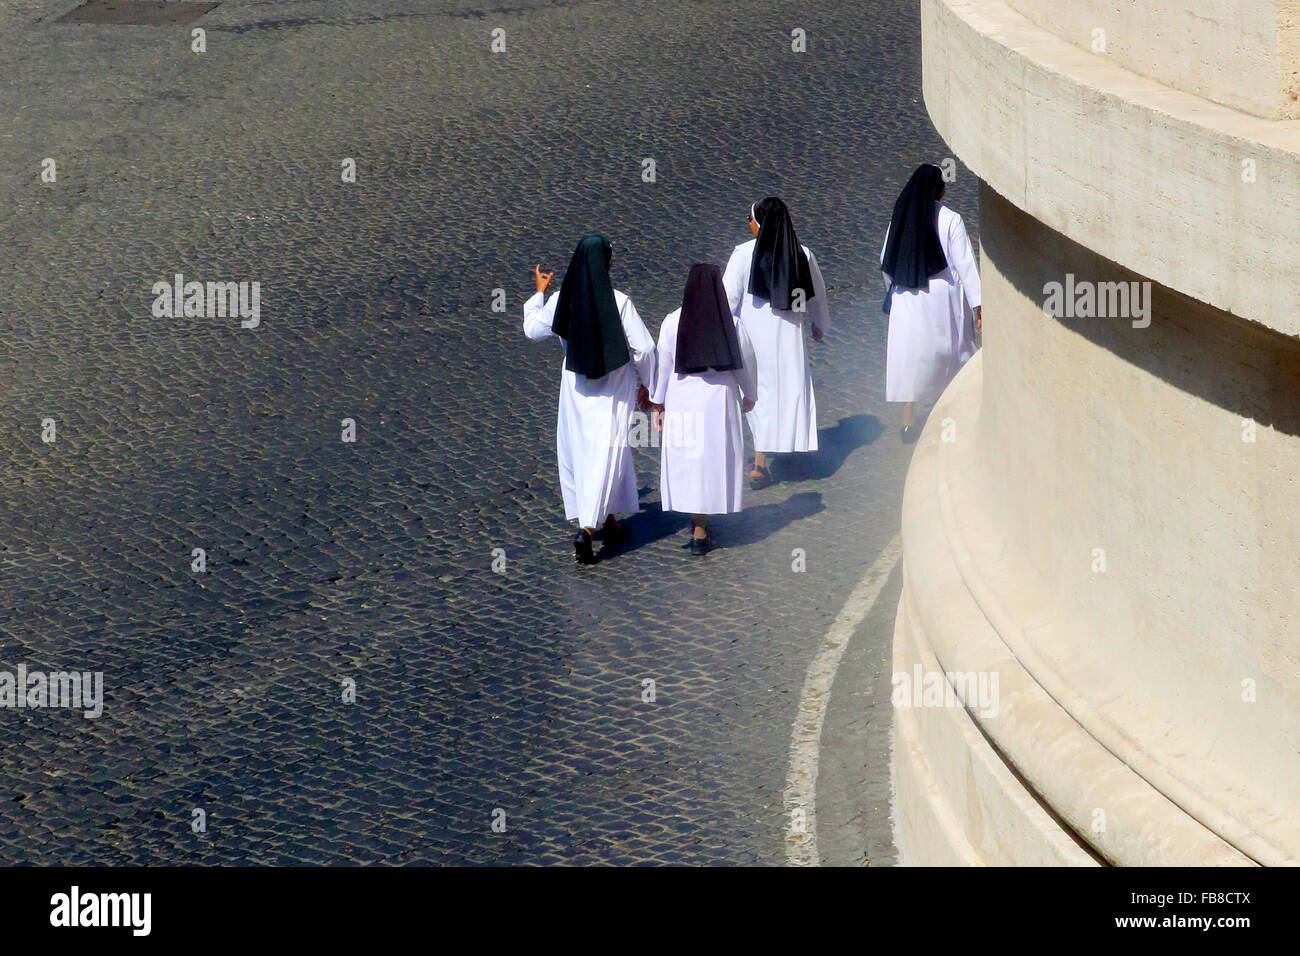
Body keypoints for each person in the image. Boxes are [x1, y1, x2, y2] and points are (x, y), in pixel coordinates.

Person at [523, 234, 656, 564]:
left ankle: (609, 521)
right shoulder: (620, 301)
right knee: (609, 453)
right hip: (613, 389)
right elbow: (646, 349)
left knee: (584, 452)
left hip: (575, 388)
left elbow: (532, 331)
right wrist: (652, 387)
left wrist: (538, 294)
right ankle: (588, 529)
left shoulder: (560, 300)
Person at [649, 263, 758, 556]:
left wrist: (657, 400)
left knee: (691, 461)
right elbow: (745, 360)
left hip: (683, 397)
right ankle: (701, 526)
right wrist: (751, 393)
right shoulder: (732, 324)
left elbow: (663, 364)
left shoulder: (672, 321)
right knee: (710, 461)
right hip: (718, 400)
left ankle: (697, 521)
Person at [722, 197, 829, 489]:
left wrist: (722, 332)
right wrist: (819, 324)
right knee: (786, 389)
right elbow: (817, 294)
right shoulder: (802, 254)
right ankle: (777, 447)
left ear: (761, 222)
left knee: (759, 393)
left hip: (755, 339)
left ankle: (759, 462)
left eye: (750, 219)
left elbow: (728, 299)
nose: (749, 224)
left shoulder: (743, 255)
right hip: (790, 339)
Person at [881, 164, 983, 443]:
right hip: (940, 297)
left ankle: (908, 421)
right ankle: (948, 415)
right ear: (940, 189)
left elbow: (886, 261)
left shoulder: (899, 219)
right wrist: (978, 303)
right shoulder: (951, 219)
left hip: (905, 296)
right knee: (948, 356)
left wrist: (894, 291)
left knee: (911, 358)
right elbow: (964, 263)